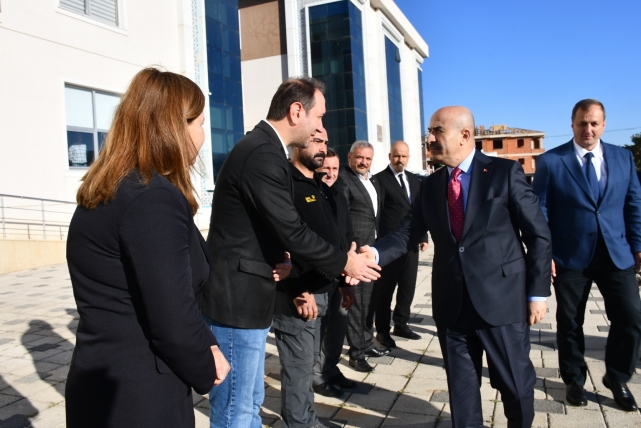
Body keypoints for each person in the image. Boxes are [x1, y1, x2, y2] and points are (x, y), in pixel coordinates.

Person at [199, 77, 380, 428]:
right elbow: (293, 229)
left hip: (249, 298)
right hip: (236, 302)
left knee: (249, 405)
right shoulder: (262, 153)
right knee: (237, 411)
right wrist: (345, 262)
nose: (320, 127)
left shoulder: (266, 150)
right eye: (319, 117)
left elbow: (270, 228)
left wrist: (283, 258)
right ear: (297, 111)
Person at [364, 106, 552, 428]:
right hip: (452, 305)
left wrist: (537, 294)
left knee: (516, 387)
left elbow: (538, 235)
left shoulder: (505, 173)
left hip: (501, 303)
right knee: (462, 393)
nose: (429, 138)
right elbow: (408, 232)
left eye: (437, 130)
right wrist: (374, 253)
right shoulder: (430, 185)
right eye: (430, 131)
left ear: (465, 135)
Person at [65, 68, 230, 428]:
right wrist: (206, 363)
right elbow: (172, 316)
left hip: (100, 384)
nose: (203, 136)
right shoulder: (151, 199)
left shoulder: (106, 189)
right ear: (176, 127)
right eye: (201, 123)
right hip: (139, 397)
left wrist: (208, 341)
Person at [532, 99, 641, 411]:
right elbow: (540, 211)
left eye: (594, 123)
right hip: (569, 256)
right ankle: (574, 381)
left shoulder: (623, 157)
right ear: (572, 124)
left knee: (630, 317)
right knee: (569, 322)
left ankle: (617, 377)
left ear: (603, 125)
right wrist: (545, 255)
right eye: (582, 123)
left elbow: (634, 203)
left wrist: (638, 245)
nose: (588, 129)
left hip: (616, 254)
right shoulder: (551, 161)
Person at [273, 131, 353, 427]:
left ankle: (305, 419)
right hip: (301, 294)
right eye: (317, 141)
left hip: (325, 289)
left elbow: (335, 239)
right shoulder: (285, 183)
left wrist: (343, 282)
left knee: (307, 365)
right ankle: (299, 422)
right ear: (297, 143)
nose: (323, 148)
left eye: (325, 143)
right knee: (298, 366)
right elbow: (278, 241)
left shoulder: (320, 186)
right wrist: (297, 287)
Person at [335, 140, 388, 373]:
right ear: (349, 157)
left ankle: (367, 343)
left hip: (372, 250)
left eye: (368, 158)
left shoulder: (373, 180)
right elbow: (342, 217)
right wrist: (349, 251)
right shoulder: (343, 179)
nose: (364, 162)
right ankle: (356, 353)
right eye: (359, 157)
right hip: (355, 252)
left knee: (370, 301)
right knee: (356, 304)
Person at [372, 140, 428, 348]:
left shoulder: (414, 180)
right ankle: (382, 330)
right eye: (396, 156)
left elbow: (420, 211)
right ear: (390, 156)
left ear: (408, 158)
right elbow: (377, 213)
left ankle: (401, 324)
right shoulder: (379, 180)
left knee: (408, 286)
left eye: (404, 156)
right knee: (385, 290)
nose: (400, 160)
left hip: (411, 244)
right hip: (389, 245)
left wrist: (423, 237)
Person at [313, 147, 358, 396]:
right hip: (318, 275)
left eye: (334, 169)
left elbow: (347, 234)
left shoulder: (339, 195)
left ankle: (330, 367)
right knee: (318, 330)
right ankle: (316, 375)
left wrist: (347, 278)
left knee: (338, 327)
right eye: (326, 168)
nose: (330, 173)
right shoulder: (311, 195)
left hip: (341, 274)